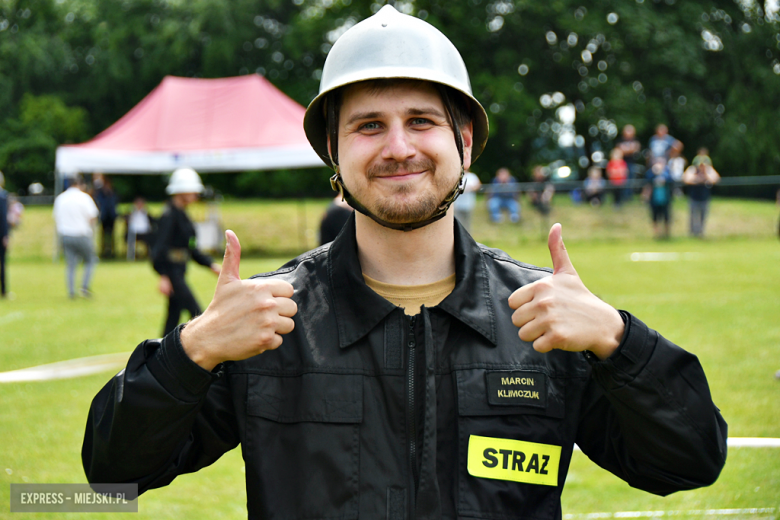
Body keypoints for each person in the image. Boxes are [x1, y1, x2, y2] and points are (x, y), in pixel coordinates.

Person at [83, 7, 727, 519]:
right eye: (368, 126)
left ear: (463, 142)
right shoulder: (270, 324)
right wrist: (191, 351)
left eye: (421, 121)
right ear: (331, 150)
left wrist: (619, 340)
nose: (398, 148)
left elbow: (691, 461)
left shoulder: (543, 320)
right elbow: (112, 477)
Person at [151, 168, 220, 336]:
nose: (196, 194)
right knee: (196, 312)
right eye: (193, 190)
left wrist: (210, 264)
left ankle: (159, 354)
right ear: (181, 191)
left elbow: (191, 248)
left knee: (173, 316)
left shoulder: (183, 216)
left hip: (179, 272)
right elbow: (158, 248)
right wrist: (163, 276)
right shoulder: (168, 216)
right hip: (172, 273)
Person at [53, 175, 99, 298]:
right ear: (80, 184)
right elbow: (93, 216)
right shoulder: (84, 198)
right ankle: (84, 286)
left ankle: (71, 291)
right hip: (82, 233)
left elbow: (56, 216)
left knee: (71, 264)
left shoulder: (60, 198)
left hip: (65, 235)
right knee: (90, 260)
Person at [683, 163, 720, 238]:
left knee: (703, 216)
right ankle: (692, 234)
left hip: (704, 197)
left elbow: (716, 179)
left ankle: (701, 233)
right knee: (693, 216)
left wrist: (705, 173)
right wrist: (697, 177)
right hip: (693, 197)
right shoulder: (692, 170)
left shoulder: (709, 171)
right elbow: (686, 180)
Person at [642, 158, 674, 239]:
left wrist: (662, 174)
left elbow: (671, 180)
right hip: (654, 199)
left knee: (666, 217)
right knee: (655, 217)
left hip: (665, 199)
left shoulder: (667, 172)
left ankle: (667, 235)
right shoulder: (651, 173)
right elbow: (647, 181)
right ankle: (657, 235)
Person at [93, 174, 119, 259]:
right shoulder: (100, 193)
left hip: (111, 216)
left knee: (112, 235)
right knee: (103, 235)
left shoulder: (112, 193)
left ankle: (112, 251)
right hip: (104, 216)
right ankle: (104, 251)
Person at [0, 171, 8, 298]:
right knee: (2, 263)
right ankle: (4, 291)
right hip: (0, 234)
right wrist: (5, 235)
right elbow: (3, 218)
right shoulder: (2, 196)